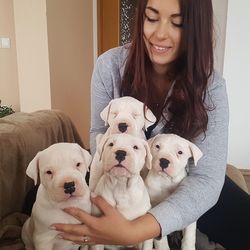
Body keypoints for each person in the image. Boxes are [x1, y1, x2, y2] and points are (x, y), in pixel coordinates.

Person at [52, 0, 250, 249]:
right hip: (120, 183)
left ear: (196, 29)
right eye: (151, 18)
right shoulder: (110, 66)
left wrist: (137, 230)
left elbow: (207, 178)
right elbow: (99, 134)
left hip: (178, 188)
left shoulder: (211, 86)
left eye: (177, 23)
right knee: (44, 201)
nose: (159, 34)